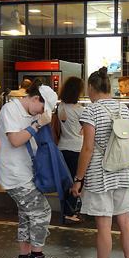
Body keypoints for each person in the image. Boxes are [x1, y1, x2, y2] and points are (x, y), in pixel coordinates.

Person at [71, 67, 129, 258]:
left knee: (104, 226)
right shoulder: (124, 108)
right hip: (124, 171)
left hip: (101, 174)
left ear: (91, 88)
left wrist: (78, 179)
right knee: (126, 222)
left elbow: (87, 148)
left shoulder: (91, 111)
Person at [0, 80, 59, 258]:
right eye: (42, 108)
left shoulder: (29, 113)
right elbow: (15, 140)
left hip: (26, 173)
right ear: (34, 99)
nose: (41, 112)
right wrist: (37, 124)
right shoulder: (10, 109)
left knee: (26, 215)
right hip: (15, 175)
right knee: (42, 212)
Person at [52, 76, 86, 224]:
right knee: (77, 181)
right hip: (77, 149)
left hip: (63, 148)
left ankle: (67, 210)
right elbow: (87, 130)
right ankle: (70, 212)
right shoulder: (80, 110)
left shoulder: (61, 107)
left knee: (67, 181)